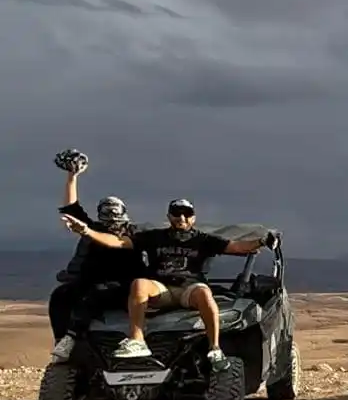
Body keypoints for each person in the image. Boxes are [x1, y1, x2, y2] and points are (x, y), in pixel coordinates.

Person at [63, 199, 276, 367]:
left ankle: (215, 348)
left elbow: (238, 247)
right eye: (177, 213)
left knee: (204, 293)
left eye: (187, 214)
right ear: (169, 216)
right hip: (162, 289)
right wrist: (86, 231)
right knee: (138, 284)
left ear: (193, 218)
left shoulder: (203, 239)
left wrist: (262, 240)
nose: (181, 218)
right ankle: (137, 341)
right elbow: (118, 242)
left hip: (189, 289)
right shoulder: (155, 237)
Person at [48, 151, 143, 361]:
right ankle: (62, 341)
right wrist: (72, 177)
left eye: (114, 215)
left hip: (121, 285)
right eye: (106, 214)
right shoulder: (94, 228)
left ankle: (72, 337)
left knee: (94, 296)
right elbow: (71, 208)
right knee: (60, 296)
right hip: (90, 280)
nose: (111, 219)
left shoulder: (134, 233)